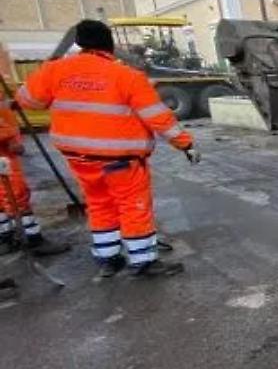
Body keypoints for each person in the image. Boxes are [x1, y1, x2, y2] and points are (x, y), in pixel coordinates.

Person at [17, 20, 201, 278]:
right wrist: (185, 144)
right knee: (132, 204)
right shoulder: (126, 76)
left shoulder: (55, 70)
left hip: (78, 156)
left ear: (79, 43)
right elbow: (158, 117)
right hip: (120, 158)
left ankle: (108, 258)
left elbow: (27, 100)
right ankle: (144, 260)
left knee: (99, 204)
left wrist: (50, 68)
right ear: (109, 44)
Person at [0, 99, 70, 257]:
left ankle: (6, 237)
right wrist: (9, 137)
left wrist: (7, 105)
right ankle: (32, 239)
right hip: (4, 150)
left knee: (4, 197)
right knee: (15, 194)